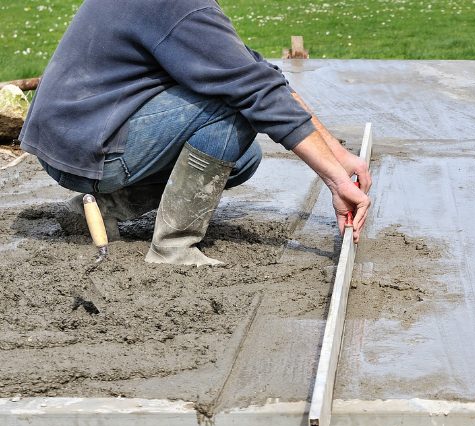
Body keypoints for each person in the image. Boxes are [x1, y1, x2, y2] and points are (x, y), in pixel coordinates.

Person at [19, 0, 371, 266]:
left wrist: (338, 156)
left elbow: (256, 70)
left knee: (242, 158)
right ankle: (174, 248)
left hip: (72, 137)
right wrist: (336, 182)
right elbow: (252, 91)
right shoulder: (177, 5)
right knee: (233, 108)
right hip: (88, 148)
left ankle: (103, 206)